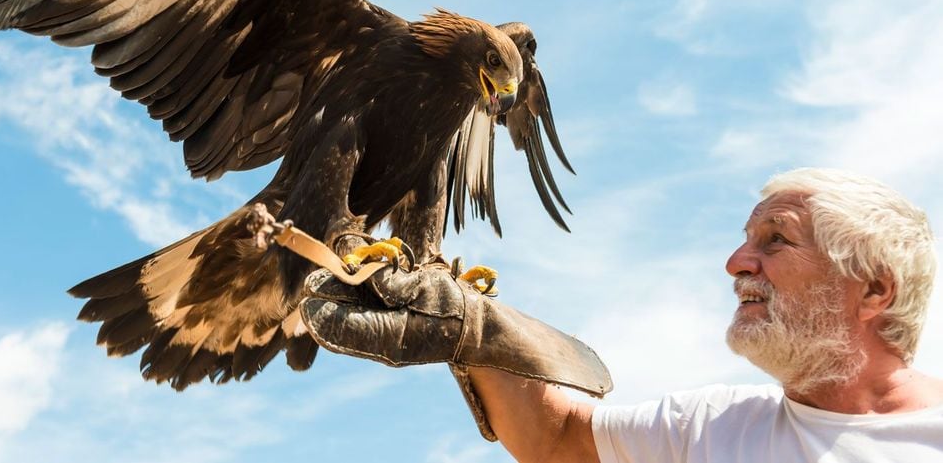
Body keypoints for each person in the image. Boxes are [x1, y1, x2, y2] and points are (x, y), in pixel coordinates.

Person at [300, 168, 943, 462]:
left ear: (874, 290)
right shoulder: (709, 429)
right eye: (746, 240)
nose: (736, 263)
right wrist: (470, 330)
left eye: (777, 239)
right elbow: (557, 442)